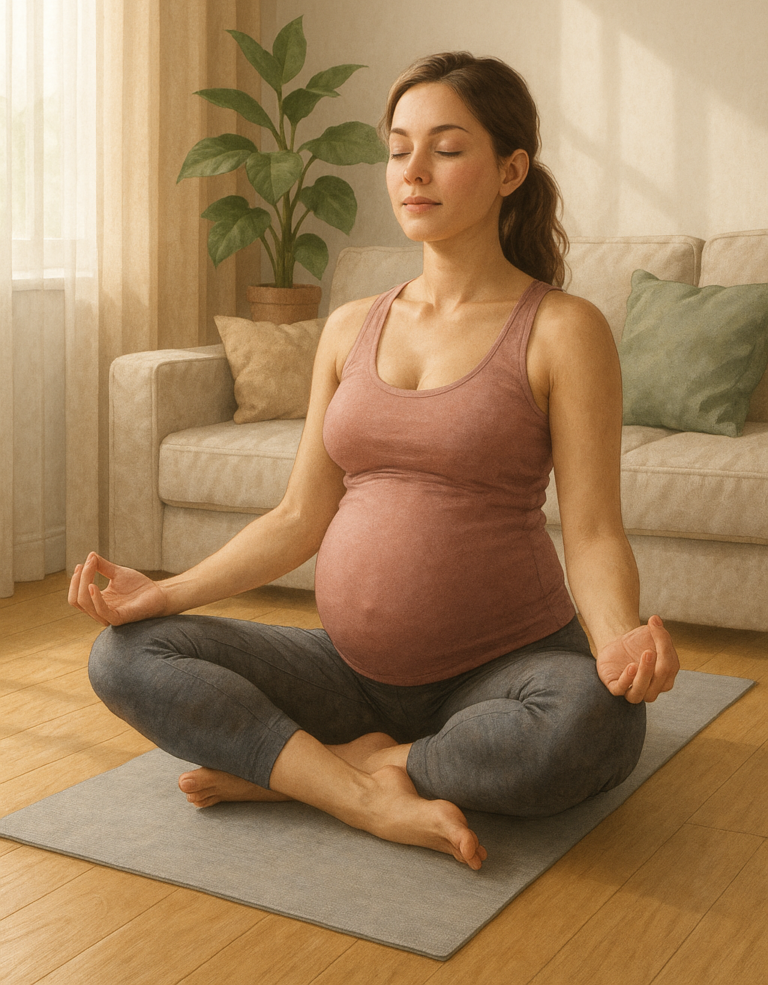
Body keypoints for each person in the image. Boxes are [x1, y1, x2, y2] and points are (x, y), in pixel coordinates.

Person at [69, 52, 679, 872]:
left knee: (595, 724)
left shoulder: (564, 328)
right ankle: (360, 792)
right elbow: (297, 518)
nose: (413, 172)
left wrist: (615, 641)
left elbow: (596, 531)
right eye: (398, 149)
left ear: (510, 170)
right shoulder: (352, 324)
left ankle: (330, 769)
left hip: (509, 670)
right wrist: (163, 592)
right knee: (124, 656)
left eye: (446, 148)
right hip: (350, 674)